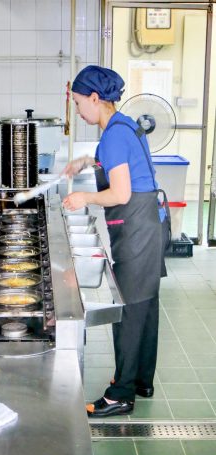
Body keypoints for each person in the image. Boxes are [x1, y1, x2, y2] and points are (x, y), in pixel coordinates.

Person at [62, 65, 166, 417]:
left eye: (78, 103)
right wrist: (86, 161)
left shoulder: (114, 135)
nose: (77, 110)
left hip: (137, 230)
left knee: (129, 312)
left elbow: (120, 192)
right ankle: (140, 380)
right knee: (146, 306)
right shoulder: (123, 125)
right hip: (149, 226)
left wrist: (84, 199)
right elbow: (124, 165)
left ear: (95, 98)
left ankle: (121, 394)